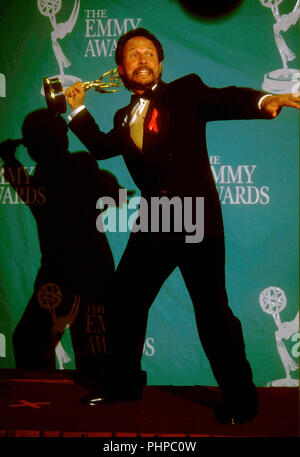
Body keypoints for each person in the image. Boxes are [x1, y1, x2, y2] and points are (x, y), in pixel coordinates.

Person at [65, 28, 300, 423]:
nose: (142, 59)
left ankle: (241, 401)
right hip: (156, 220)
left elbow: (224, 97)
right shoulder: (124, 116)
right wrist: (76, 109)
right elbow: (103, 146)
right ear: (120, 68)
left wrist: (264, 100)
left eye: (149, 53)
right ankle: (122, 386)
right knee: (123, 300)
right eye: (133, 54)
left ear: (159, 63)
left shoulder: (185, 91)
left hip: (195, 217)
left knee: (212, 312)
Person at [0, 109, 130, 375]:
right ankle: (52, 400)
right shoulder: (65, 169)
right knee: (87, 347)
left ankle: (53, 400)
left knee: (82, 345)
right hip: (80, 273)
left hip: (76, 273)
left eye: (35, 140)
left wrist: (11, 160)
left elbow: (35, 197)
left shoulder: (66, 169)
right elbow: (112, 194)